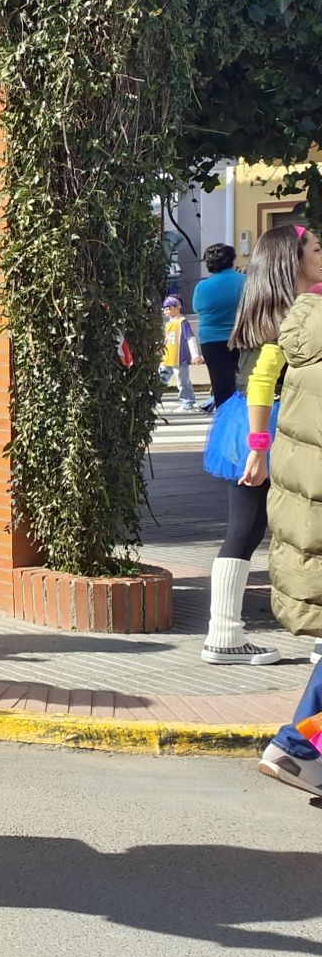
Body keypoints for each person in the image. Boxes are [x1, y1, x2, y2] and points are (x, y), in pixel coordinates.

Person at [202, 224, 320, 665]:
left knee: (247, 530)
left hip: (249, 424)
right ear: (294, 260)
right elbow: (262, 381)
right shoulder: (295, 314)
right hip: (276, 428)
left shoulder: (266, 310)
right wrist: (259, 445)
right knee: (307, 529)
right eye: (316, 248)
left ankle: (223, 634)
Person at [260, 285, 322, 793]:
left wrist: (258, 447)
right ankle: (298, 746)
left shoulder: (306, 317)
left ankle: (297, 747)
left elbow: (264, 381)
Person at [194, 244, 245, 408]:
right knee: (248, 383)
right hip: (241, 337)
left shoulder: (202, 287)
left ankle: (224, 422)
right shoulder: (245, 281)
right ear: (232, 260)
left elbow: (197, 308)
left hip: (211, 341)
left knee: (221, 387)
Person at [161, 295, 200, 413]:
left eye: (169, 307)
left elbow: (190, 338)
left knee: (183, 381)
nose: (166, 310)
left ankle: (188, 403)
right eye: (165, 308)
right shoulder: (168, 324)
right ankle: (150, 401)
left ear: (178, 307)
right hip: (167, 358)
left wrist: (195, 355)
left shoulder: (182, 322)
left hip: (179, 358)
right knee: (159, 379)